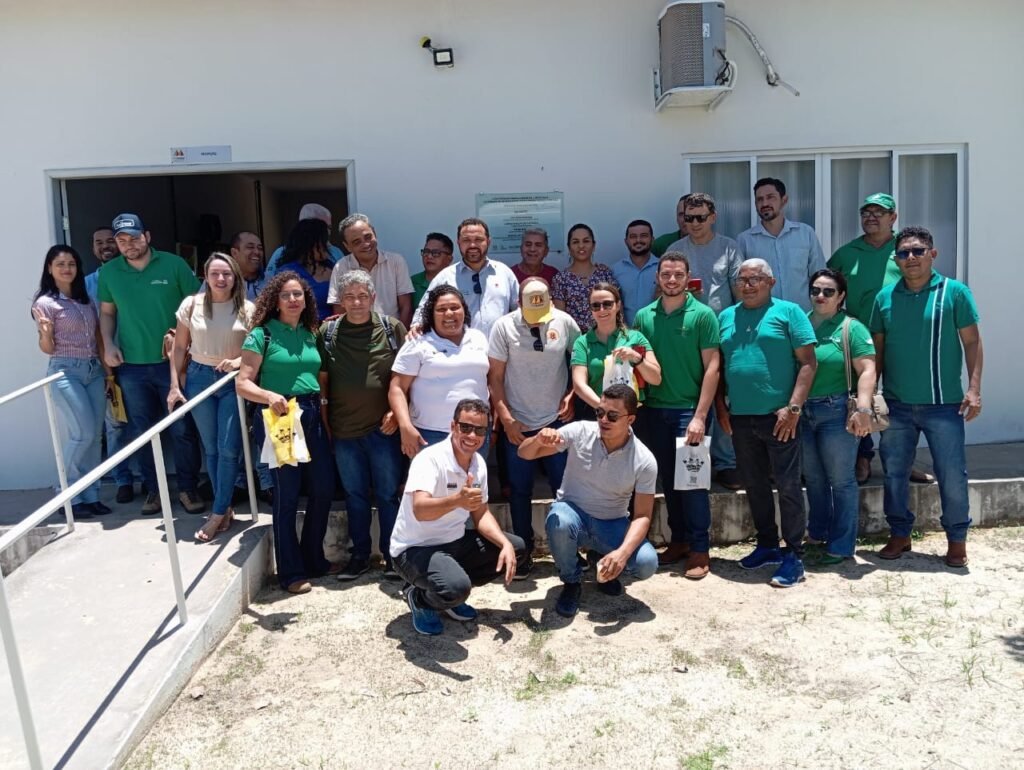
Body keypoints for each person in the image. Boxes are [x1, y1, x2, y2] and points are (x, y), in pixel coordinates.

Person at [870, 226, 983, 568]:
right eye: (903, 253)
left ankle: (957, 540)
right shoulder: (884, 298)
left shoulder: (955, 292)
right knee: (893, 473)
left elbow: (973, 343)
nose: (911, 258)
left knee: (951, 474)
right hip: (897, 406)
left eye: (918, 251)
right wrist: (871, 395)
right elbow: (876, 352)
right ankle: (900, 534)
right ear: (896, 259)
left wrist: (974, 390)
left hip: (943, 406)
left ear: (933, 254)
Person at [717, 258, 817, 587]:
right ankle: (767, 545)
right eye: (741, 280)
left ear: (770, 282)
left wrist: (793, 408)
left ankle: (794, 555)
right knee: (755, 485)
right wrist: (722, 409)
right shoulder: (726, 316)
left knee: (788, 487)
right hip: (742, 418)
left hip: (780, 417)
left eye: (755, 279)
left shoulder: (790, 313)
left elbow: (808, 364)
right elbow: (719, 368)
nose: (747, 285)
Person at [519, 385, 659, 618]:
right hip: (574, 515)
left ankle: (601, 564)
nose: (603, 420)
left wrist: (621, 554)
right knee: (558, 520)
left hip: (611, 523)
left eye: (612, 416)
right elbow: (524, 453)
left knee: (646, 563)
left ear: (630, 419)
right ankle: (572, 582)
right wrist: (538, 439)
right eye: (599, 412)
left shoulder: (644, 459)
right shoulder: (581, 431)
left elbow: (643, 516)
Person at [98, 213, 204, 515]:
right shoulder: (109, 273)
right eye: (121, 240)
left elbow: (198, 306)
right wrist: (109, 343)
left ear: (147, 236)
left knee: (182, 429)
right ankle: (154, 491)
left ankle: (187, 488)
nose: (128, 244)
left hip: (174, 364)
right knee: (142, 431)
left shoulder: (174, 265)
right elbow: (107, 313)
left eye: (133, 237)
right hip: (131, 365)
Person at [390, 398, 525, 636]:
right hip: (415, 549)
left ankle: (448, 594)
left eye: (480, 430)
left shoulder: (478, 464)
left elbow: (481, 514)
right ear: (453, 426)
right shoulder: (429, 459)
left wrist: (504, 544)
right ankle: (421, 598)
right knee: (456, 587)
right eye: (466, 427)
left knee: (516, 548)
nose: (472, 436)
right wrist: (457, 501)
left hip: (453, 542)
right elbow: (420, 509)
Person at [236, 272, 336, 594]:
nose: (293, 300)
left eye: (298, 294)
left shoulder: (311, 332)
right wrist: (268, 396)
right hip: (281, 418)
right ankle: (290, 573)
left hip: (311, 415)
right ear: (274, 301)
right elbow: (243, 382)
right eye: (286, 295)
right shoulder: (261, 335)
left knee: (323, 488)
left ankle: (313, 558)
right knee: (287, 495)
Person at [633, 253, 721, 579]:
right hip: (654, 411)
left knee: (693, 483)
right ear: (657, 277)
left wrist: (700, 415)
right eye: (666, 274)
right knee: (669, 481)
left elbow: (713, 367)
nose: (671, 280)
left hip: (689, 410)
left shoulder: (703, 315)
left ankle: (700, 548)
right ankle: (680, 540)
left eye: (678, 275)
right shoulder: (644, 316)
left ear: (688, 278)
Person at [318, 270, 407, 580]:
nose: (356, 302)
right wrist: (327, 422)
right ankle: (360, 556)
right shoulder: (327, 334)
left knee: (386, 494)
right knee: (354, 496)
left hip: (383, 431)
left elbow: (408, 377)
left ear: (372, 297)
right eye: (349, 296)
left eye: (362, 296)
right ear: (340, 301)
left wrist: (397, 414)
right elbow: (323, 383)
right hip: (344, 432)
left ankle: (394, 555)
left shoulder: (391, 328)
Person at [488, 278, 580, 577]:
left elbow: (580, 360)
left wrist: (571, 395)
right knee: (519, 492)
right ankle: (523, 551)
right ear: (518, 305)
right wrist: (506, 419)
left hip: (556, 422)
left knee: (563, 490)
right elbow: (496, 378)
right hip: (519, 422)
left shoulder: (564, 321)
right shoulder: (503, 327)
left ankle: (568, 550)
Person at [168, 253, 255, 542]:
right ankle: (225, 507)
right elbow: (179, 348)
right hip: (199, 377)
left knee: (229, 448)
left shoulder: (247, 308)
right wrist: (174, 385)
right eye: (215, 273)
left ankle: (217, 514)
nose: (221, 279)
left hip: (232, 380)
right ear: (206, 276)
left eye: (227, 274)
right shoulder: (190, 305)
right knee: (212, 449)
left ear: (235, 277)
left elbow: (258, 349)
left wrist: (237, 361)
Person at [664, 192, 744, 489]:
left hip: (722, 334)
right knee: (693, 398)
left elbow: (740, 293)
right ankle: (694, 465)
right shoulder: (675, 249)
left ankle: (726, 462)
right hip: (685, 335)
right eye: (688, 218)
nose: (694, 223)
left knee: (723, 397)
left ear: (713, 217)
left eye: (700, 217)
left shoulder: (729, 248)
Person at [827, 193, 906, 484]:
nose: (871, 217)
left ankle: (900, 462)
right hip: (857, 339)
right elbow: (827, 287)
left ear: (893, 217)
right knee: (858, 397)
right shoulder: (848, 252)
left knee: (896, 399)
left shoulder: (904, 250)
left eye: (879, 212)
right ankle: (862, 456)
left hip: (897, 336)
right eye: (866, 212)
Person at [800, 269, 876, 564]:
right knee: (814, 479)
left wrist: (863, 409)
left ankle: (843, 545)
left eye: (828, 291)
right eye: (815, 290)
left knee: (841, 479)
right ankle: (817, 533)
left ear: (841, 296)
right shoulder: (801, 324)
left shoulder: (850, 328)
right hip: (803, 412)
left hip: (837, 411)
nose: (820, 296)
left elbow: (867, 369)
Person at [31, 245, 112, 518]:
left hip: (93, 371)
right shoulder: (45, 303)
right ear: (49, 269)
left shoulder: (86, 299)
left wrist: (108, 373)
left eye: (71, 264)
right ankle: (66, 494)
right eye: (60, 264)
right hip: (65, 371)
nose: (66, 269)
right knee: (83, 434)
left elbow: (99, 339)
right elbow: (46, 347)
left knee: (95, 436)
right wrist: (45, 333)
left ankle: (91, 496)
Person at [391, 286, 490, 457]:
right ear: (431, 314)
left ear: (464, 310)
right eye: (441, 309)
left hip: (475, 433)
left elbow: (491, 381)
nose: (449, 314)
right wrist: (405, 426)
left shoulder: (479, 338)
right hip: (429, 434)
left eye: (455, 307)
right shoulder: (417, 342)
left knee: (472, 483)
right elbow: (397, 388)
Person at [85, 225, 136, 503]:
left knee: (143, 422)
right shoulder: (86, 285)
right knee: (115, 425)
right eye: (99, 242)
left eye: (110, 241)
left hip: (138, 359)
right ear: (93, 248)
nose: (105, 246)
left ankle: (151, 479)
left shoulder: (133, 276)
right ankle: (123, 479)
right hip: (105, 365)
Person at [415, 218, 519, 339]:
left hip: (500, 350)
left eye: (478, 240)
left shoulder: (503, 273)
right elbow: (424, 308)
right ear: (458, 242)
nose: (472, 245)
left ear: (488, 241)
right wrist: (417, 325)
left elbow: (520, 309)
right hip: (461, 351)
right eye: (466, 240)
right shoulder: (446, 276)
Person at [571, 282, 660, 421]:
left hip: (633, 415)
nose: (601, 309)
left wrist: (636, 358)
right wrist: (606, 410)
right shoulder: (582, 342)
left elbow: (656, 379)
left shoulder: (636, 337)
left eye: (607, 304)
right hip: (598, 414)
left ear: (618, 305)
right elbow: (579, 385)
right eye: (595, 305)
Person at [737, 178, 825, 311]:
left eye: (770, 197)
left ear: (784, 200)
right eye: (759, 199)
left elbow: (819, 276)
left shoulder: (805, 233)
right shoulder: (745, 240)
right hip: (764, 319)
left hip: (803, 316)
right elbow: (741, 284)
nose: (765, 203)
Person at [328, 213, 414, 327]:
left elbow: (406, 306)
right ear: (347, 246)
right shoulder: (341, 267)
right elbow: (339, 308)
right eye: (357, 242)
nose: (366, 244)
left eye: (368, 237)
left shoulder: (396, 262)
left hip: (391, 335)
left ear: (375, 233)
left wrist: (400, 336)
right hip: (355, 335)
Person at [551, 223, 617, 332]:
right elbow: (560, 318)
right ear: (569, 247)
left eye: (586, 241)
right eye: (575, 242)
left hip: (606, 338)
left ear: (594, 245)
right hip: (574, 341)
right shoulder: (561, 279)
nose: (581, 246)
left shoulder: (605, 273)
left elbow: (617, 308)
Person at [274, 219, 335, 320]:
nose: (328, 245)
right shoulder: (287, 273)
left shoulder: (333, 267)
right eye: (325, 241)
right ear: (310, 243)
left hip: (332, 331)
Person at [265, 203, 343, 276]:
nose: (327, 232)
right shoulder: (281, 253)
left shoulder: (337, 253)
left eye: (329, 227)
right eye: (321, 227)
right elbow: (269, 283)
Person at [610, 219, 659, 325]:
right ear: (626, 241)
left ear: (652, 239)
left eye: (644, 235)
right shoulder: (615, 271)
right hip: (626, 335)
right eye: (633, 237)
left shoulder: (663, 270)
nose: (638, 240)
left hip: (657, 332)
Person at [410, 232, 454, 306]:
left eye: (436, 253)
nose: (429, 256)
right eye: (426, 252)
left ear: (449, 259)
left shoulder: (457, 282)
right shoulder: (412, 283)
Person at [229, 231, 268, 300]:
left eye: (260, 248)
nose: (257, 252)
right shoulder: (220, 281)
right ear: (234, 253)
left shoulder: (270, 281)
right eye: (250, 247)